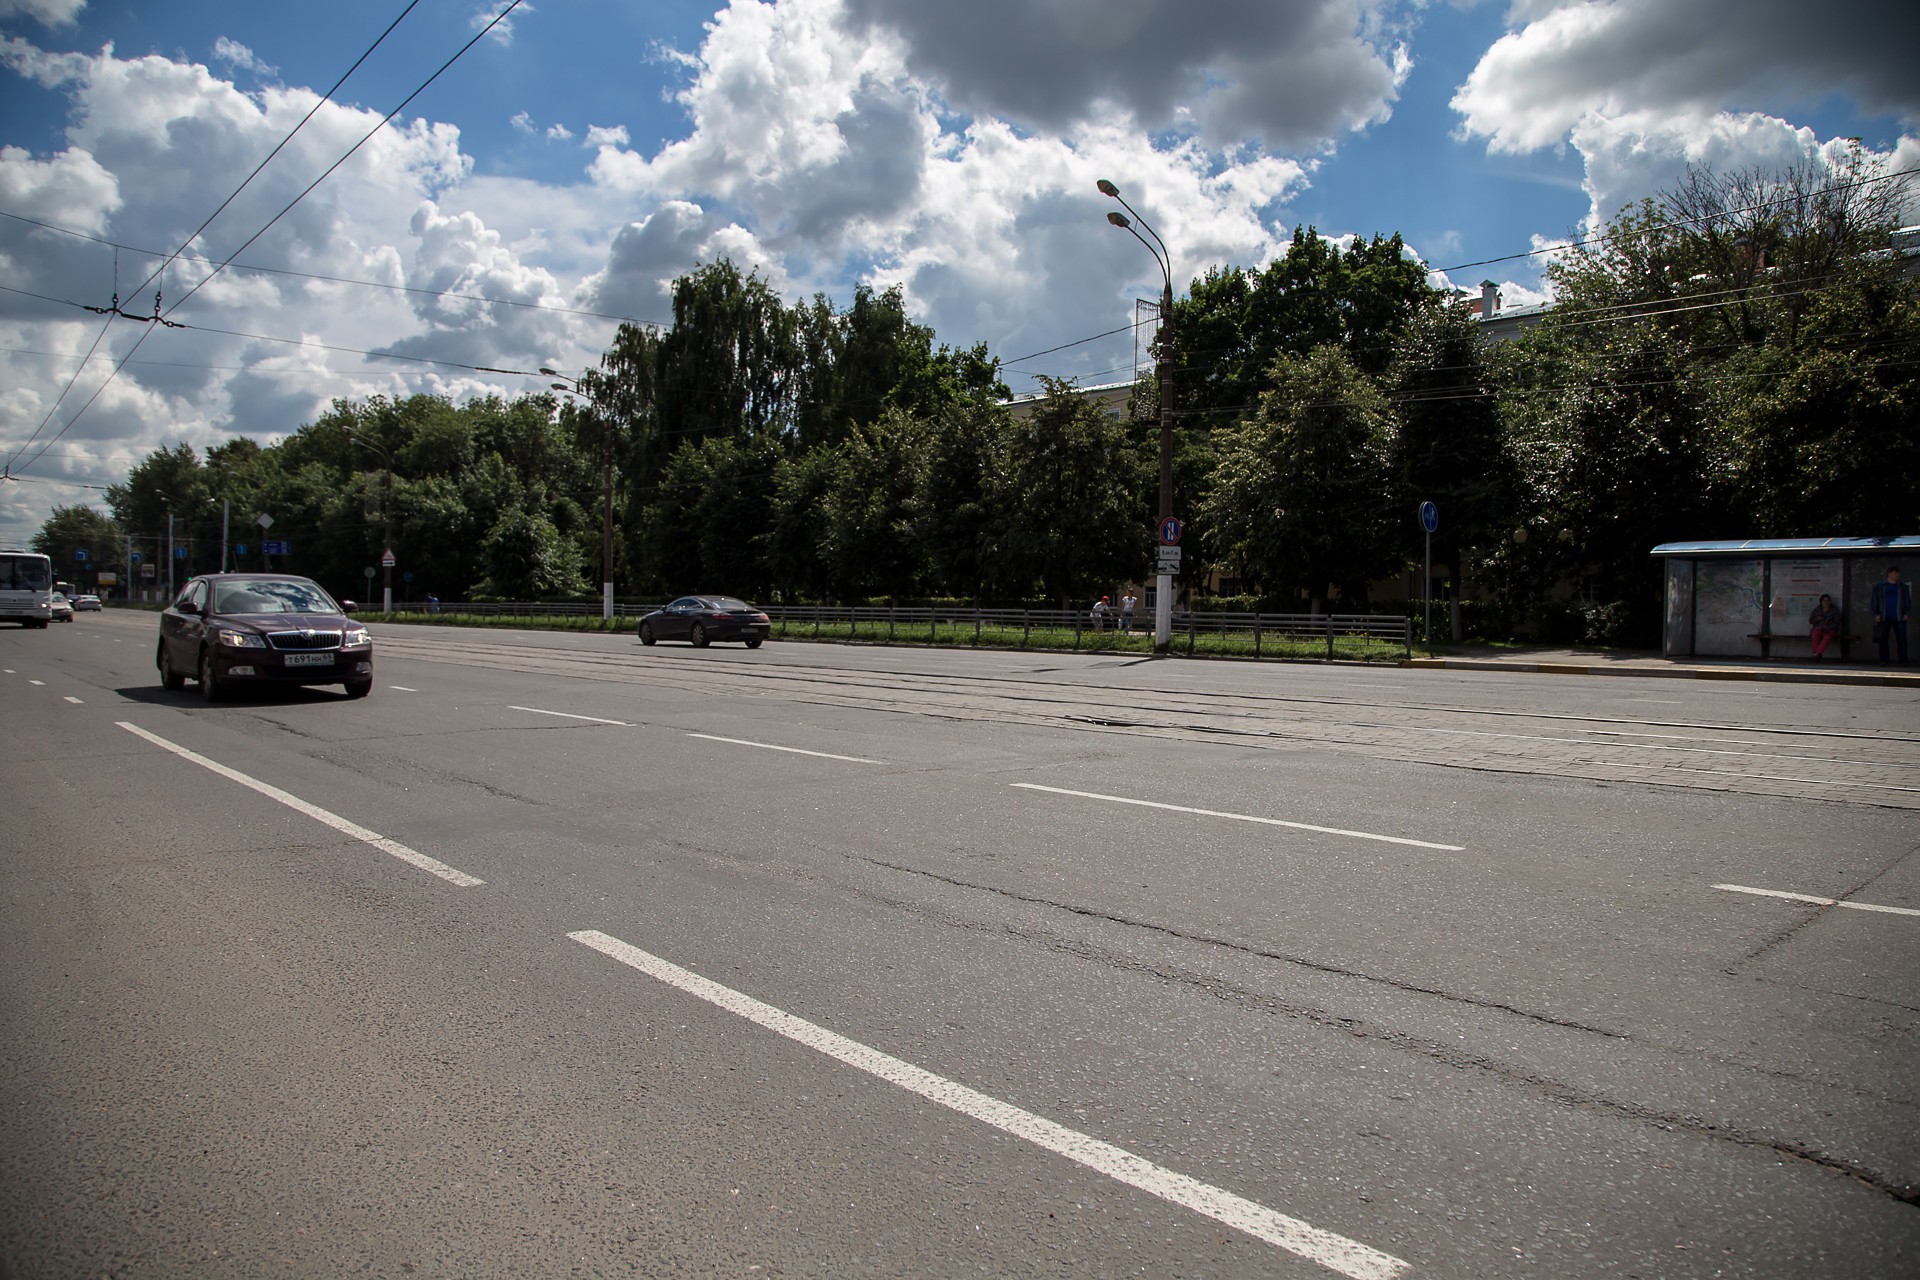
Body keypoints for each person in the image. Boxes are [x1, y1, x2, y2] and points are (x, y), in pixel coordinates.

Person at [1870, 566, 1912, 665]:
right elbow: (1874, 600)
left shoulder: (1903, 587)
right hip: (1884, 616)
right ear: (1889, 574)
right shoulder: (1880, 586)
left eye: (1898, 573)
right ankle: (1884, 660)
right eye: (1894, 573)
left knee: (1902, 639)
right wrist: (1875, 614)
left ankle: (1903, 660)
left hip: (1899, 616)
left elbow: (1908, 601)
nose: (1897, 575)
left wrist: (1907, 613)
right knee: (1883, 639)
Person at [1807, 593, 1840, 660]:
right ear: (1821, 602)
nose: (1826, 602)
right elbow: (1811, 621)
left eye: (1828, 600)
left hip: (1829, 629)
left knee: (1827, 637)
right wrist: (1817, 619)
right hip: (1818, 628)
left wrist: (1828, 627)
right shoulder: (1817, 610)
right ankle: (1817, 655)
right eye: (1824, 601)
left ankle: (1817, 653)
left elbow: (1836, 622)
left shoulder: (1835, 611)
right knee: (1815, 635)